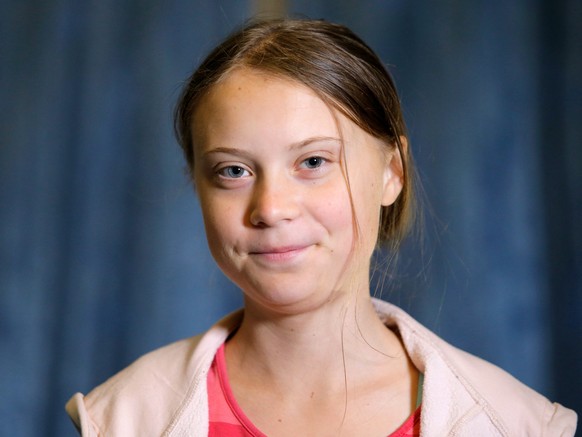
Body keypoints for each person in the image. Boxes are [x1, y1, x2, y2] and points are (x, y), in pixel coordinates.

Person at [66, 18, 577, 436]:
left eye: (313, 162)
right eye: (234, 171)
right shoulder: (121, 418)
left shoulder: (516, 423)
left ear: (391, 174)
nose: (270, 207)